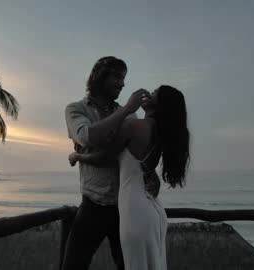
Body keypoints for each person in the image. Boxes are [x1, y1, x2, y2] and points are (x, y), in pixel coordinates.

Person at [69, 85, 190, 270]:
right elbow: (143, 166)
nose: (149, 93)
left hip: (134, 209)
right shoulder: (160, 132)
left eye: (155, 93)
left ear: (161, 104)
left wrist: (77, 156)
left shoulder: (133, 126)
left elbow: (103, 158)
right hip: (152, 209)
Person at [63, 56, 151, 270]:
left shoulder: (128, 115)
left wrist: (150, 173)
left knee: (128, 266)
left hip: (124, 206)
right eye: (117, 76)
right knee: (73, 266)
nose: (122, 83)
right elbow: (88, 137)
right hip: (93, 204)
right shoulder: (76, 109)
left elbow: (132, 155)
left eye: (124, 78)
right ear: (100, 76)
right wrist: (126, 110)